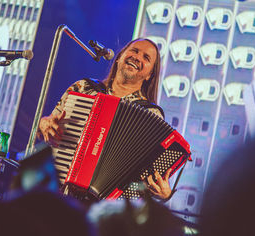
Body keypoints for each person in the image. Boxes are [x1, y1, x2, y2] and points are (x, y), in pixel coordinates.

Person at [38, 39, 172, 200]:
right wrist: (43, 124)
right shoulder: (83, 88)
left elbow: (147, 177)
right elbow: (45, 130)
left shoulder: (152, 115)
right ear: (120, 57)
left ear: (150, 74)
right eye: (134, 51)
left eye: (146, 57)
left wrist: (164, 194)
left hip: (107, 208)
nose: (137, 57)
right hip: (58, 192)